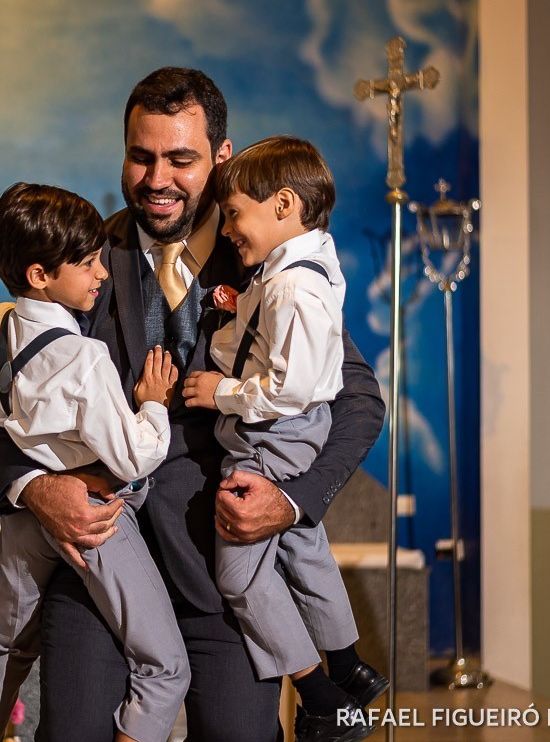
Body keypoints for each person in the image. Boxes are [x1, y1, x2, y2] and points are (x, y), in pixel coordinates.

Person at [0, 67, 386, 742]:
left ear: (221, 156)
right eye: (141, 156)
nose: (158, 178)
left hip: (224, 579)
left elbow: (356, 396)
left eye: (181, 159)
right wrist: (35, 487)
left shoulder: (270, 265)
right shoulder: (81, 253)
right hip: (98, 568)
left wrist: (293, 501)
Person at [0, 183, 188, 742]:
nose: (101, 273)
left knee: (2, 650)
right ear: (40, 275)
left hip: (26, 526)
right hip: (94, 518)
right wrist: (153, 402)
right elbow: (135, 454)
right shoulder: (84, 357)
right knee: (166, 667)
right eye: (86, 263)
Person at [179, 135, 383, 740]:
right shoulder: (288, 273)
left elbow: (291, 387)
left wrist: (219, 391)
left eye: (235, 213)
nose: (230, 227)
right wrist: (232, 311)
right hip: (282, 431)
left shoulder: (295, 287)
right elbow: (268, 342)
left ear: (284, 205)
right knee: (303, 550)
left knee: (240, 578)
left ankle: (321, 696)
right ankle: (348, 666)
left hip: (270, 437)